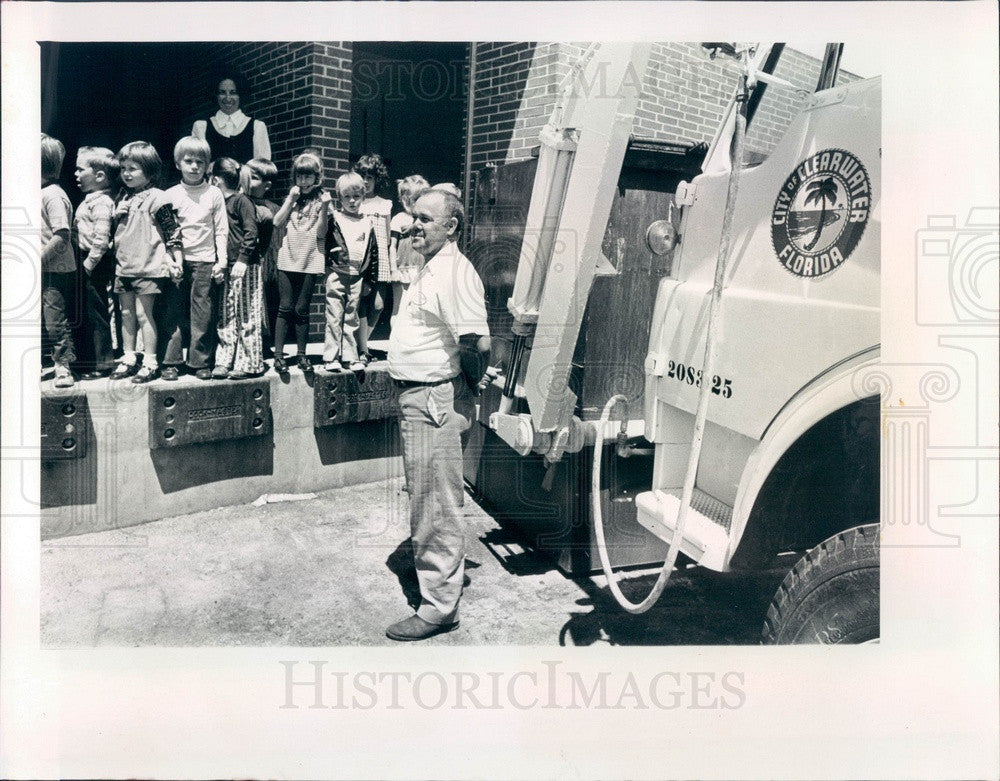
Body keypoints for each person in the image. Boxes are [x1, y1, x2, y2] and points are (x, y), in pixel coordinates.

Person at [385, 188, 492, 642]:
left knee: (436, 504)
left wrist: (463, 386)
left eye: (426, 219)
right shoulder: (430, 267)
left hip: (433, 398)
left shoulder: (455, 271)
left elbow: (476, 343)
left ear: (451, 227)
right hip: (421, 397)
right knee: (426, 496)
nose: (415, 226)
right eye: (414, 218)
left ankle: (438, 607)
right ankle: (436, 581)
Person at [109, 141, 183, 383]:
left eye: (133, 168)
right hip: (124, 266)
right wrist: (115, 216)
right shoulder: (122, 197)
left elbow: (173, 231)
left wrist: (176, 259)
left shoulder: (158, 198)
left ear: (150, 170)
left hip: (148, 267)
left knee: (143, 314)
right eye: (123, 168)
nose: (126, 173)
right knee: (126, 313)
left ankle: (150, 361)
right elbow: (117, 232)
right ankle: (129, 357)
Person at [162, 136, 228, 381]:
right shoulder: (169, 195)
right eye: (188, 161)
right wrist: (170, 260)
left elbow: (221, 229)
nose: (194, 166)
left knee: (202, 313)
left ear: (208, 165)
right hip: (178, 261)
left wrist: (221, 261)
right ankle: (170, 360)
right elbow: (166, 232)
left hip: (205, 260)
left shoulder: (214, 194)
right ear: (178, 163)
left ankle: (200, 361)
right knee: (173, 310)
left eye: (200, 162)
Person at [272, 151, 331, 374]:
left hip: (311, 258)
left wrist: (325, 207)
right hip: (288, 257)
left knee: (302, 309)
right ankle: (279, 356)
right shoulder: (293, 198)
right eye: (300, 176)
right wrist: (290, 199)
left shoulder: (322, 200)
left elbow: (322, 233)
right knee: (284, 307)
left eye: (308, 177)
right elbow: (277, 223)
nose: (304, 181)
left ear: (317, 178)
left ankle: (302, 356)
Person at [211, 158, 264, 379]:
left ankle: (249, 363)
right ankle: (224, 360)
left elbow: (251, 232)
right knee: (227, 314)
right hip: (226, 265)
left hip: (245, 266)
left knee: (247, 314)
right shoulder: (218, 202)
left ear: (215, 179)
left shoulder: (242, 201)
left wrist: (243, 259)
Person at [323, 172, 378, 372]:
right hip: (337, 272)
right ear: (340, 198)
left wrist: (369, 280)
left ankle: (349, 355)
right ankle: (331, 357)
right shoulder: (335, 218)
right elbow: (325, 241)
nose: (352, 201)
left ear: (363, 196)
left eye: (356, 196)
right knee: (334, 315)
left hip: (357, 275)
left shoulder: (367, 222)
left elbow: (373, 252)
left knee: (351, 317)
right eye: (347, 197)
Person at [72, 146, 119, 379]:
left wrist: (88, 265)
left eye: (81, 170)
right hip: (84, 260)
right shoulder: (89, 200)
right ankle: (86, 359)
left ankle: (102, 363)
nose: (76, 174)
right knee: (86, 310)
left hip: (94, 262)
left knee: (97, 312)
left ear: (100, 176)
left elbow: (101, 240)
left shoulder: (101, 203)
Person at [40, 134, 78, 388]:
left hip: (55, 270)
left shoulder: (53, 195)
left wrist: (37, 259)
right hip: (39, 270)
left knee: (56, 322)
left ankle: (64, 366)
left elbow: (62, 234)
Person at [239, 158, 282, 357]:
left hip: (262, 265)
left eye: (254, 178)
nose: (246, 180)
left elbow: (273, 242)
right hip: (238, 263)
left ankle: (262, 343)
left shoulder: (272, 209)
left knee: (260, 304)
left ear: (267, 185)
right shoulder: (236, 202)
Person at [353, 153, 392, 363]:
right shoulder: (354, 202)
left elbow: (386, 238)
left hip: (381, 261)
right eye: (362, 177)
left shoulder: (384, 204)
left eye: (370, 177)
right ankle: (362, 350)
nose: (366, 182)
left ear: (377, 179)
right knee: (359, 304)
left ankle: (361, 343)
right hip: (361, 260)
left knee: (377, 305)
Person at [191, 75, 271, 163]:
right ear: (216, 95)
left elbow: (262, 168)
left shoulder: (257, 126)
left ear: (241, 95)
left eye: (233, 93)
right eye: (222, 92)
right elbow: (198, 164)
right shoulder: (201, 127)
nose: (228, 98)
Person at [388, 174, 429, 314]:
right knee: (399, 308)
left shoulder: (424, 220)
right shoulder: (399, 219)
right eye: (416, 199)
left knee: (418, 306)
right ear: (406, 200)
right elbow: (392, 246)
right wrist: (393, 270)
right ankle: (396, 335)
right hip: (403, 268)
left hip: (421, 267)